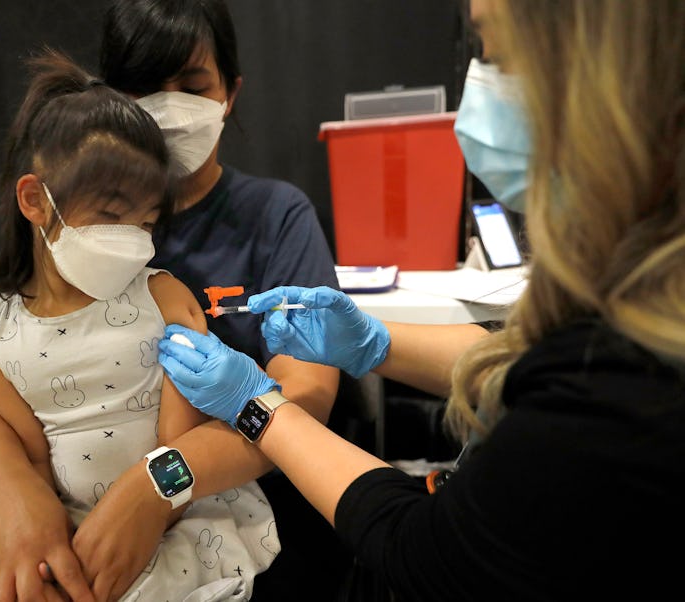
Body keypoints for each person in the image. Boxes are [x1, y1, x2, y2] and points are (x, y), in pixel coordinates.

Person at [158, 0, 685, 598]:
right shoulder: (627, 295)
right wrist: (373, 343)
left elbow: (422, 548)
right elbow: (526, 366)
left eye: (496, 55)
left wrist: (180, 465)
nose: (478, 87)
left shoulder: (634, 380)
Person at [0, 1, 347, 600]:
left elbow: (307, 396)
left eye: (193, 84)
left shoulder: (275, 216)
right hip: (73, 511)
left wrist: (162, 482)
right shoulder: (70, 222)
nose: (170, 105)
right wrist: (13, 493)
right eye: (147, 86)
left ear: (230, 93)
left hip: (229, 504)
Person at [0, 47, 279, 601]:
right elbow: (33, 464)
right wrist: (56, 550)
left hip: (177, 522)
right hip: (76, 538)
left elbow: (177, 443)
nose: (132, 239)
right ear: (36, 200)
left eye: (146, 223)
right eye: (111, 216)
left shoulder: (164, 299)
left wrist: (149, 511)